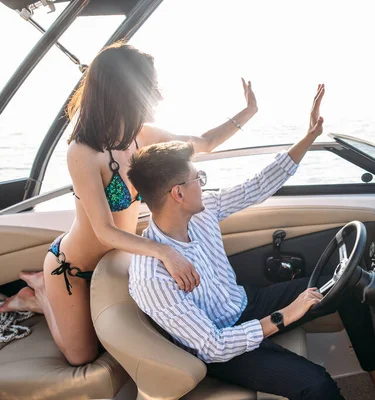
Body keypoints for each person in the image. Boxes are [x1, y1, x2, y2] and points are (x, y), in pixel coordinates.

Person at [127, 85, 375, 400]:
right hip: (223, 346)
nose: (203, 185)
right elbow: (213, 346)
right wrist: (285, 315)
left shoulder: (203, 212)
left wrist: (310, 135)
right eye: (198, 179)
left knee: (346, 285)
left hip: (246, 304)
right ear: (178, 193)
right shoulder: (152, 277)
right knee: (317, 384)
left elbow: (258, 185)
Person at [0, 42, 257, 366]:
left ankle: (41, 292)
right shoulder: (82, 153)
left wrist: (247, 112)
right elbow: (105, 230)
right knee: (81, 356)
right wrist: (165, 251)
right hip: (74, 268)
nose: (158, 95)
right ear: (123, 93)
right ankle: (39, 292)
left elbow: (203, 143)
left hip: (122, 262)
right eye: (150, 87)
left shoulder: (143, 136)